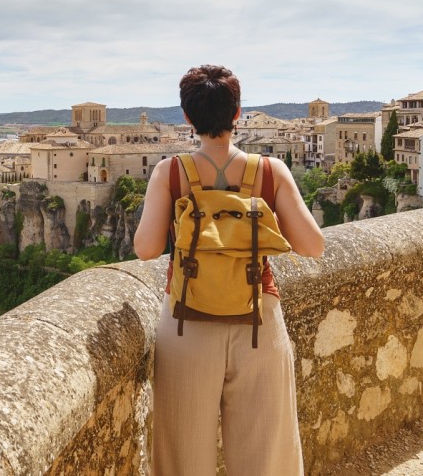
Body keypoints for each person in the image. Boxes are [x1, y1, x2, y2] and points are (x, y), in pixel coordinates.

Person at [133, 65, 324, 475]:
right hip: (257, 320)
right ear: (238, 114)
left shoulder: (171, 173)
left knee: (184, 457)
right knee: (265, 456)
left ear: (187, 118)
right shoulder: (270, 172)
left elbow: (146, 248)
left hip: (187, 324)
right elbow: (313, 245)